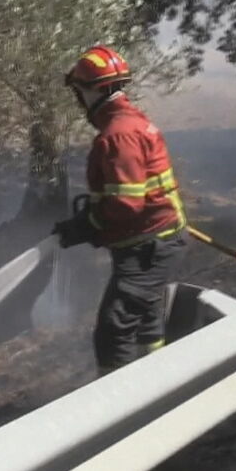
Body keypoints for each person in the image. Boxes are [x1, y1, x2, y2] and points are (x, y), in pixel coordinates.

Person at [52, 45, 187, 375]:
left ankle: (119, 408)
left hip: (148, 247)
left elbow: (125, 203)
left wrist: (85, 226)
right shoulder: (130, 123)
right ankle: (156, 379)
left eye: (80, 91)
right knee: (147, 314)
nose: (78, 99)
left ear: (97, 89)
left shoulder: (118, 135)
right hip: (155, 241)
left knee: (115, 329)